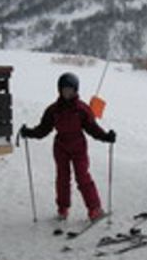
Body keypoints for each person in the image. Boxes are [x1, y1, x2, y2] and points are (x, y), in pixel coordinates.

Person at [20, 72, 116, 221]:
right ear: (59, 90)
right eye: (64, 89)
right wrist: (29, 133)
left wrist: (106, 137)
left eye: (70, 89)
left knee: (82, 176)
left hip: (78, 146)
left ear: (76, 90)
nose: (67, 92)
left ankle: (94, 209)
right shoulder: (53, 110)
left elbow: (92, 128)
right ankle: (63, 208)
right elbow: (43, 129)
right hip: (61, 146)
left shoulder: (82, 109)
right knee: (62, 178)